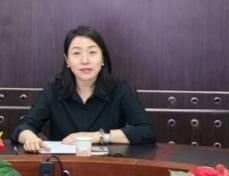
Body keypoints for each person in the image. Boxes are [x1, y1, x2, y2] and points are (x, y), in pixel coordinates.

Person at [13, 25, 155, 152]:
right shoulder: (54, 90)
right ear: (67, 60)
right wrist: (30, 138)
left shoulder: (120, 89)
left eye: (92, 52)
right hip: (63, 167)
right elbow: (23, 126)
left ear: (103, 58)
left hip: (109, 166)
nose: (85, 61)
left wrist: (97, 136)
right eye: (76, 53)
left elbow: (146, 131)